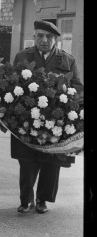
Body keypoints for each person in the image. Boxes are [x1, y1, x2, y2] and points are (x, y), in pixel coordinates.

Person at [12, 20, 83, 214]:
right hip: (26, 119)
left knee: (51, 162)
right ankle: (26, 200)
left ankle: (43, 199)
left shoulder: (67, 60)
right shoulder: (22, 56)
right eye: (40, 36)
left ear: (56, 39)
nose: (44, 40)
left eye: (49, 37)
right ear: (34, 37)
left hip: (55, 121)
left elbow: (78, 87)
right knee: (27, 161)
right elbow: (12, 84)